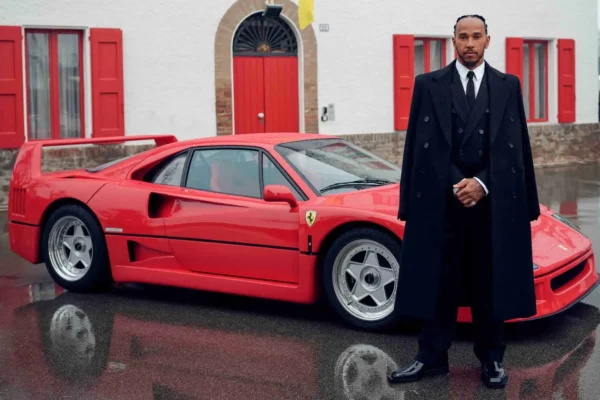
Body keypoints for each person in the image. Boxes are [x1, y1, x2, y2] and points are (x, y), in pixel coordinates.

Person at [389, 14, 540, 389]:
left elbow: (514, 148)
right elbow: (419, 149)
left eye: (476, 37)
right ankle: (430, 358)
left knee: (490, 279)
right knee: (437, 280)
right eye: (463, 37)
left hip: (491, 205)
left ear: (488, 40)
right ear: (452, 41)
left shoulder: (508, 85)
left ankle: (491, 360)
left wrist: (483, 184)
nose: (469, 43)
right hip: (443, 202)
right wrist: (459, 182)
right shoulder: (428, 84)